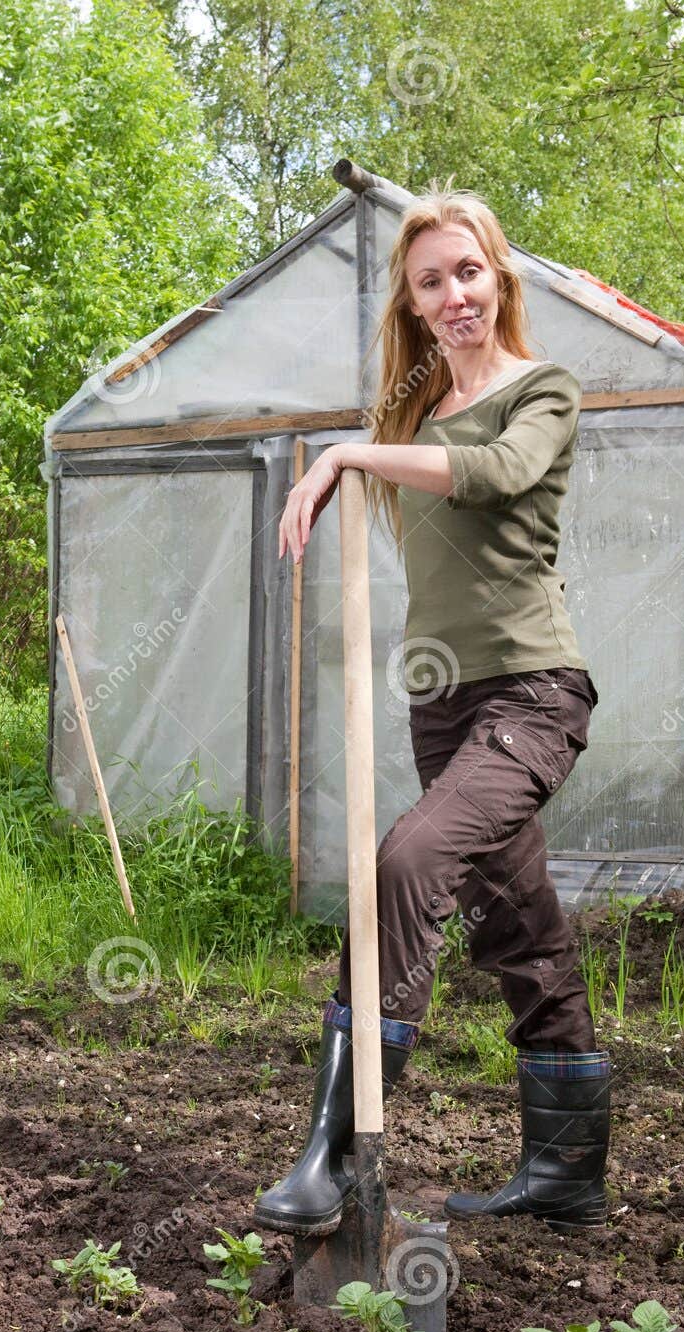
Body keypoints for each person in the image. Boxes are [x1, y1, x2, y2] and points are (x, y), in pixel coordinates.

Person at [252, 183, 611, 1240]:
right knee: (520, 932)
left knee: (406, 861)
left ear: (497, 275)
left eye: (467, 271)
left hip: (533, 694)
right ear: (409, 305)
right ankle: (565, 1174)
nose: (453, 294)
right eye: (428, 281)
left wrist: (343, 453)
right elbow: (410, 481)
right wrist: (353, 453)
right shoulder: (407, 415)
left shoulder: (542, 391)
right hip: (441, 708)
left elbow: (497, 473)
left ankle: (331, 1155)